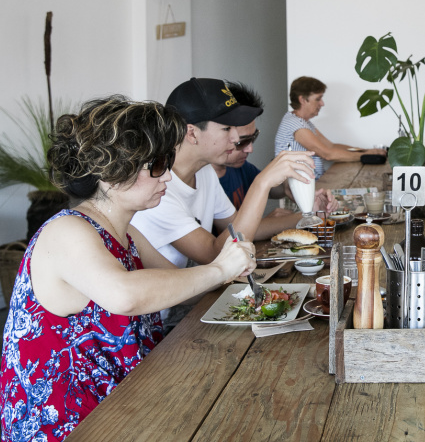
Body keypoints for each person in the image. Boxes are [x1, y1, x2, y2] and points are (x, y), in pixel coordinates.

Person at [0, 97, 256, 441]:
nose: (168, 175)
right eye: (157, 164)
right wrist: (220, 269)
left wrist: (231, 270)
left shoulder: (126, 232)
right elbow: (124, 296)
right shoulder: (67, 230)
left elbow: (176, 286)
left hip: (123, 403)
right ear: (111, 172)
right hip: (70, 424)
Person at [130, 78, 321, 328]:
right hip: (164, 321)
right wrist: (262, 183)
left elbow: (237, 228)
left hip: (196, 301)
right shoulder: (158, 189)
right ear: (192, 133)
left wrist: (308, 214)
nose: (235, 137)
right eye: (226, 129)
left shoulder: (204, 171)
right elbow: (215, 253)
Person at [213, 81, 337, 238]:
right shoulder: (207, 180)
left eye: (253, 138)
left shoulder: (239, 168)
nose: (250, 149)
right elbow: (237, 233)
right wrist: (306, 216)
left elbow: (274, 189)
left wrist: (292, 187)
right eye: (242, 142)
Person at [274, 76, 386, 178]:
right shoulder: (295, 124)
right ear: (302, 100)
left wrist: (367, 150)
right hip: (303, 187)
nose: (322, 103)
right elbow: (327, 154)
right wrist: (366, 155)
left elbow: (331, 146)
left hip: (312, 183)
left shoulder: (304, 123)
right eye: (318, 99)